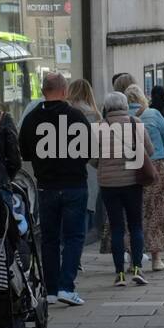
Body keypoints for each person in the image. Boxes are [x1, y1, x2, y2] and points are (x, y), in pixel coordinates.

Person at [19, 72, 92, 305]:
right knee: (73, 237)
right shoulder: (76, 116)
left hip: (46, 186)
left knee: (49, 239)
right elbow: (89, 151)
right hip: (74, 184)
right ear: (64, 91)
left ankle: (50, 290)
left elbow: (25, 152)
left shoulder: (32, 119)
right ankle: (66, 286)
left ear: (43, 91)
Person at [94, 92, 153, 284]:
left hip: (109, 185)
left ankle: (119, 273)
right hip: (133, 182)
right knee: (136, 225)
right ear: (125, 105)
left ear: (107, 107)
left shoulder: (99, 128)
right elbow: (149, 151)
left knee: (117, 227)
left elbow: (93, 159)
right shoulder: (135, 123)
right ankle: (137, 268)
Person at [125, 83, 164, 269]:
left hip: (129, 166)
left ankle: (132, 258)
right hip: (155, 167)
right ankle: (156, 259)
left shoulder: (119, 118)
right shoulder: (152, 114)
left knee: (132, 212)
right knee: (156, 212)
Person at [68, 79, 103, 235]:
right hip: (90, 168)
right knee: (86, 212)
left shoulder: (66, 112)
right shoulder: (95, 115)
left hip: (68, 169)